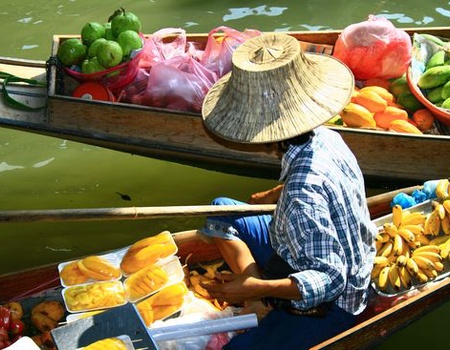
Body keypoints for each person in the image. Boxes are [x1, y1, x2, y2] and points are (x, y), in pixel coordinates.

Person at [199, 33, 378, 349]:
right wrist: (277, 193)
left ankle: (259, 293)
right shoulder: (326, 137)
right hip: (299, 249)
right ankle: (259, 298)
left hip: (335, 302)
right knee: (221, 210)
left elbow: (331, 280)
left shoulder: (301, 198)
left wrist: (258, 286)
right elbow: (317, 182)